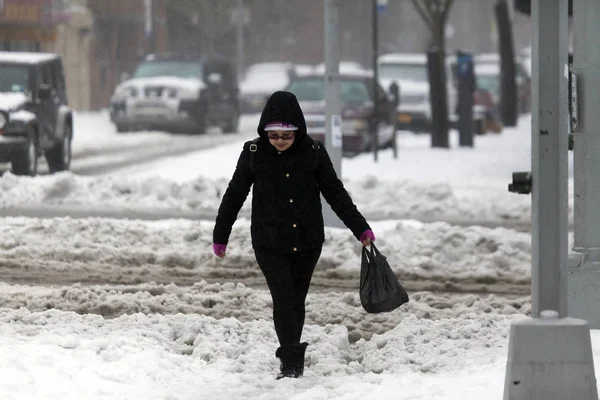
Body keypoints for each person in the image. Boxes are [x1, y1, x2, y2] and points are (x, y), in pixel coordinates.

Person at [212, 90, 375, 380]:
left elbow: (335, 193)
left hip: (308, 241)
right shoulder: (253, 153)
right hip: (268, 242)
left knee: (296, 299)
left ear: (298, 131)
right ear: (264, 132)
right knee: (283, 298)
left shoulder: (313, 152)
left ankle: (292, 356)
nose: (280, 142)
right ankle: (290, 363)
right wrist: (221, 235)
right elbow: (235, 194)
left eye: (286, 136)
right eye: (273, 136)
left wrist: (360, 227)